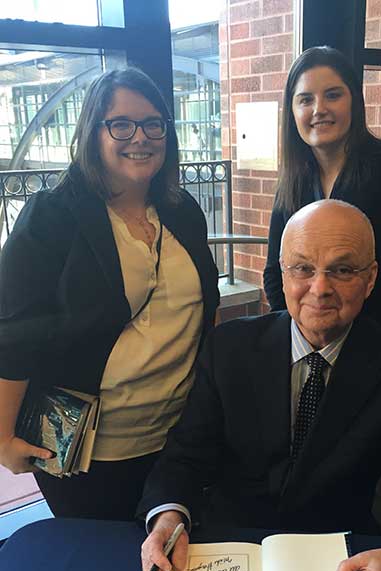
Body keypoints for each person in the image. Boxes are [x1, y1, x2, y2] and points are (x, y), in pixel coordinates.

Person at [138, 200, 381, 571]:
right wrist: (167, 518)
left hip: (341, 565)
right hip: (226, 558)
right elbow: (183, 458)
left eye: (342, 270)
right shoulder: (229, 348)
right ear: (283, 273)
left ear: (371, 278)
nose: (320, 288)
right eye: (303, 268)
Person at [0, 68, 219, 520]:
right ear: (92, 133)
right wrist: (2, 437)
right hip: (85, 448)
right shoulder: (52, 217)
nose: (140, 137)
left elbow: (203, 308)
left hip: (176, 437)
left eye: (154, 124)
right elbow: (14, 332)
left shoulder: (182, 211)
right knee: (100, 553)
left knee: (172, 549)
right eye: (121, 124)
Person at [264, 46, 381, 342]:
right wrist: (303, 339)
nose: (319, 109)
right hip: (313, 348)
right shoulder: (293, 181)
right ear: (292, 111)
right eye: (305, 99)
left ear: (354, 102)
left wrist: (350, 344)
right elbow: (276, 272)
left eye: (333, 95)